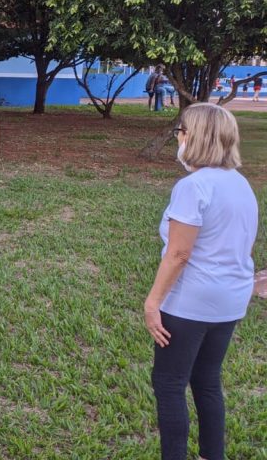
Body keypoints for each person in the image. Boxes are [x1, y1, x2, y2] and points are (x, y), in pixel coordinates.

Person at [144, 103, 258, 460]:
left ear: (194, 137)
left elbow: (179, 254)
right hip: (231, 301)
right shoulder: (240, 183)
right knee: (207, 379)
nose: (178, 137)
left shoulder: (193, 187)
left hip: (190, 303)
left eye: (181, 131)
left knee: (169, 383)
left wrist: (153, 302)